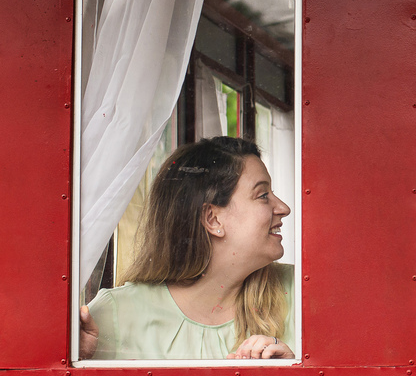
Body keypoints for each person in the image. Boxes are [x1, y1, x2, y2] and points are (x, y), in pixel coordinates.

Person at [79, 136, 295, 361]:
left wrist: (293, 370)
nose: (284, 208)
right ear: (212, 219)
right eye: (263, 195)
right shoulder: (113, 314)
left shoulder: (301, 293)